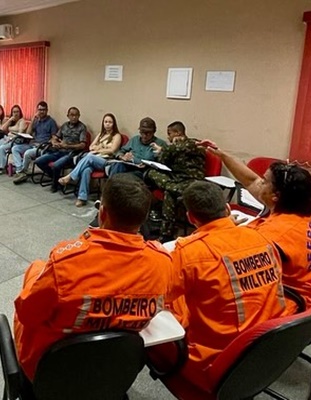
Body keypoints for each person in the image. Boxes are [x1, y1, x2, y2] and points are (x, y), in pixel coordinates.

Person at [13, 174, 172, 380]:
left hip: (51, 373)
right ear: (143, 219)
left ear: (102, 212)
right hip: (115, 370)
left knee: (35, 269)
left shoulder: (66, 263)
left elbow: (27, 315)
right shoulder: (163, 262)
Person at [156, 181, 286, 388]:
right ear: (227, 209)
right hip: (266, 348)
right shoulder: (262, 238)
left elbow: (159, 297)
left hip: (215, 362)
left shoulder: (189, 252)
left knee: (151, 319)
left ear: (191, 218)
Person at [202, 140, 311, 313]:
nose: (260, 183)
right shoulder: (309, 210)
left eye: (265, 181)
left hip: (299, 302)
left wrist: (222, 225)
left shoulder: (270, 235)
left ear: (276, 196)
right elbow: (252, 180)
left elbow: (227, 256)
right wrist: (222, 154)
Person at [145, 121, 206, 242]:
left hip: (190, 182)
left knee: (167, 191)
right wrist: (164, 150)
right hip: (177, 179)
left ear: (178, 133)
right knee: (152, 175)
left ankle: (165, 235)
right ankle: (165, 234)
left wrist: (164, 150)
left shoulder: (186, 145)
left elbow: (164, 158)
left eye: (170, 133)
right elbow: (165, 160)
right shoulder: (188, 145)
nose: (168, 137)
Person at [58, 113, 123, 206]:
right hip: (94, 159)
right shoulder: (101, 134)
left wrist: (99, 149)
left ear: (114, 124)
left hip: (106, 162)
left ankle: (70, 177)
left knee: (89, 157)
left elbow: (112, 150)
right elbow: (91, 146)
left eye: (110, 122)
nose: (107, 124)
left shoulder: (117, 136)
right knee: (86, 170)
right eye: (105, 122)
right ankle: (82, 198)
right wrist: (96, 148)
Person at [28, 107, 87, 192]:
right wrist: (54, 142)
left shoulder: (82, 127)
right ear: (68, 116)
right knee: (38, 161)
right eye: (72, 115)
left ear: (79, 116)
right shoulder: (64, 125)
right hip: (59, 151)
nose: (74, 117)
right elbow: (55, 137)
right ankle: (57, 180)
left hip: (72, 154)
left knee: (56, 165)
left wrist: (68, 146)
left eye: (76, 115)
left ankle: (55, 185)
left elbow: (82, 145)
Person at [10, 101, 57, 182]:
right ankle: (20, 171)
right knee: (15, 148)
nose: (41, 112)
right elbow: (28, 133)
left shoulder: (51, 122)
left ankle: (22, 173)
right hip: (32, 144)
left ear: (47, 110)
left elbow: (54, 137)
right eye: (39, 110)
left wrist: (50, 142)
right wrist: (32, 121)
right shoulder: (36, 121)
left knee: (27, 153)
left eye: (43, 110)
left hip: (42, 147)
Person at [0, 105, 27, 174]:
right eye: (14, 112)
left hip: (15, 140)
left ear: (20, 112)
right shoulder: (11, 121)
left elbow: (20, 133)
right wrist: (10, 120)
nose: (15, 114)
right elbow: (1, 129)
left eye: (17, 112)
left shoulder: (21, 121)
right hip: (7, 138)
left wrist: (12, 137)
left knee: (1, 148)